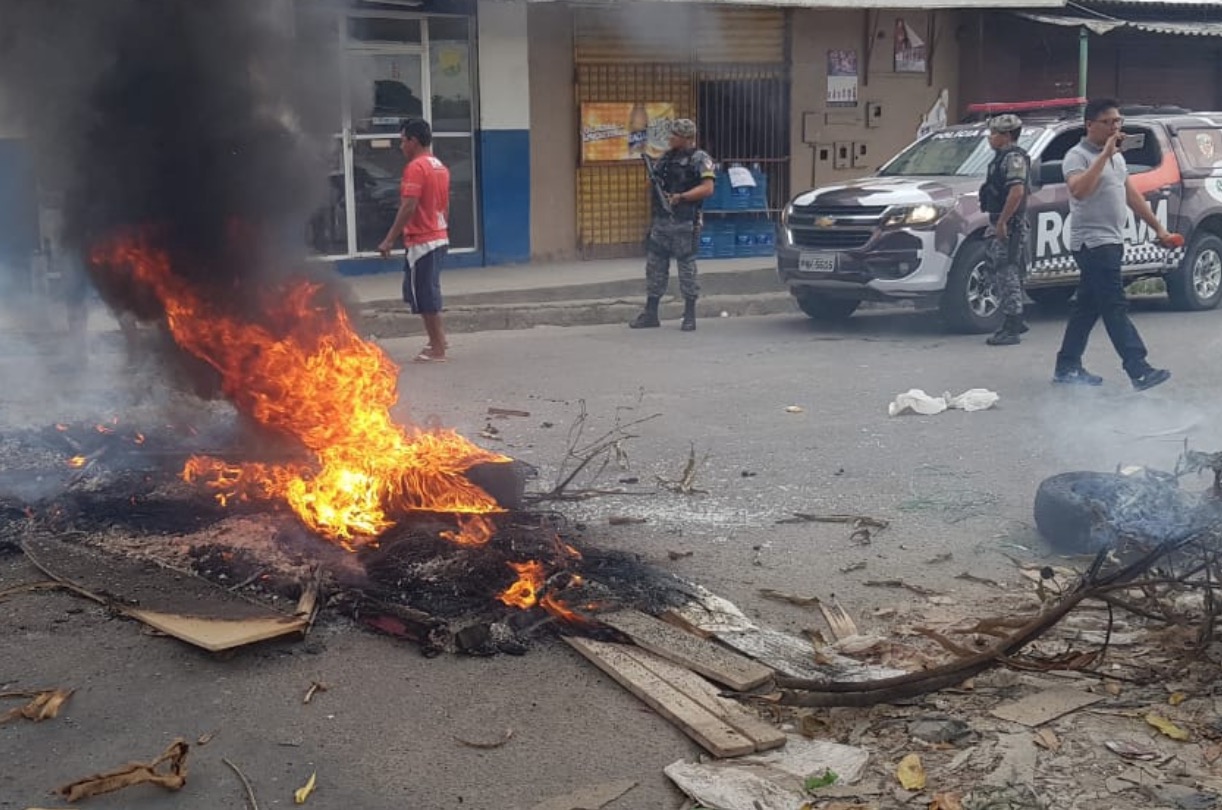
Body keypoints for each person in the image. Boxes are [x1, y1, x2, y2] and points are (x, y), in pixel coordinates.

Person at [1052, 98, 1177, 390]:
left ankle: (1067, 366)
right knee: (1114, 305)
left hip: (1112, 240)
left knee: (1087, 307)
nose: (1115, 127)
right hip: (1092, 243)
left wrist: (1159, 228)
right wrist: (1104, 155)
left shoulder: (1117, 159)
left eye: (1118, 122)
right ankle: (1139, 368)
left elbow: (1131, 195)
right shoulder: (1077, 156)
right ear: (1090, 125)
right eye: (1108, 122)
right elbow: (1079, 191)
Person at [629, 118, 716, 332]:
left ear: (686, 138)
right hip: (662, 222)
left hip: (685, 221)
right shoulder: (666, 158)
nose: (670, 138)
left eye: (674, 135)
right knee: (655, 267)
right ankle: (651, 313)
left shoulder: (700, 159)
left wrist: (681, 197)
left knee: (686, 268)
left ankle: (689, 315)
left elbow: (707, 188)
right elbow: (654, 182)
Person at [379, 118, 451, 362]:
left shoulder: (416, 167)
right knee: (421, 292)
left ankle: (437, 346)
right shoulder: (439, 166)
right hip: (437, 238)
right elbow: (444, 204)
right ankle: (439, 339)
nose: (401, 146)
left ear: (414, 141)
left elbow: (409, 205)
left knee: (425, 296)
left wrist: (389, 239)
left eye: (403, 140)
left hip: (424, 241)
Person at [979, 113, 1031, 346]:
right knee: (1002, 269)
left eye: (994, 134)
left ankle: (1012, 325)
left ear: (1007, 136)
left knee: (1006, 270)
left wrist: (1002, 222)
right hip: (1003, 220)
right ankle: (1015, 319)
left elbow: (1017, 191)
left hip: (1010, 223)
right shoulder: (1003, 158)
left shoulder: (1013, 159)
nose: (990, 138)